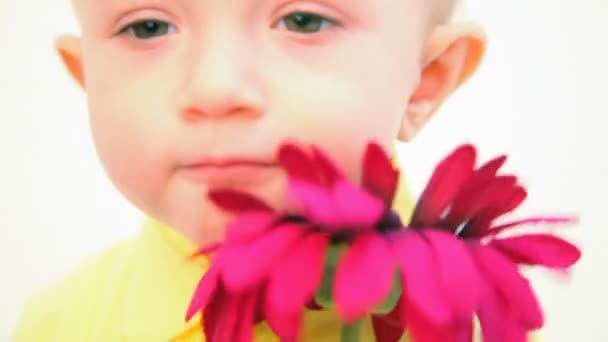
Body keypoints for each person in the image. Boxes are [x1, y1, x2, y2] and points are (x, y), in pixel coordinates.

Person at [14, 0, 487, 340]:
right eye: (148, 28)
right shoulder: (54, 327)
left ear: (425, 80)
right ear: (88, 79)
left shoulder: (485, 321)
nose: (216, 88)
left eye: (304, 20)